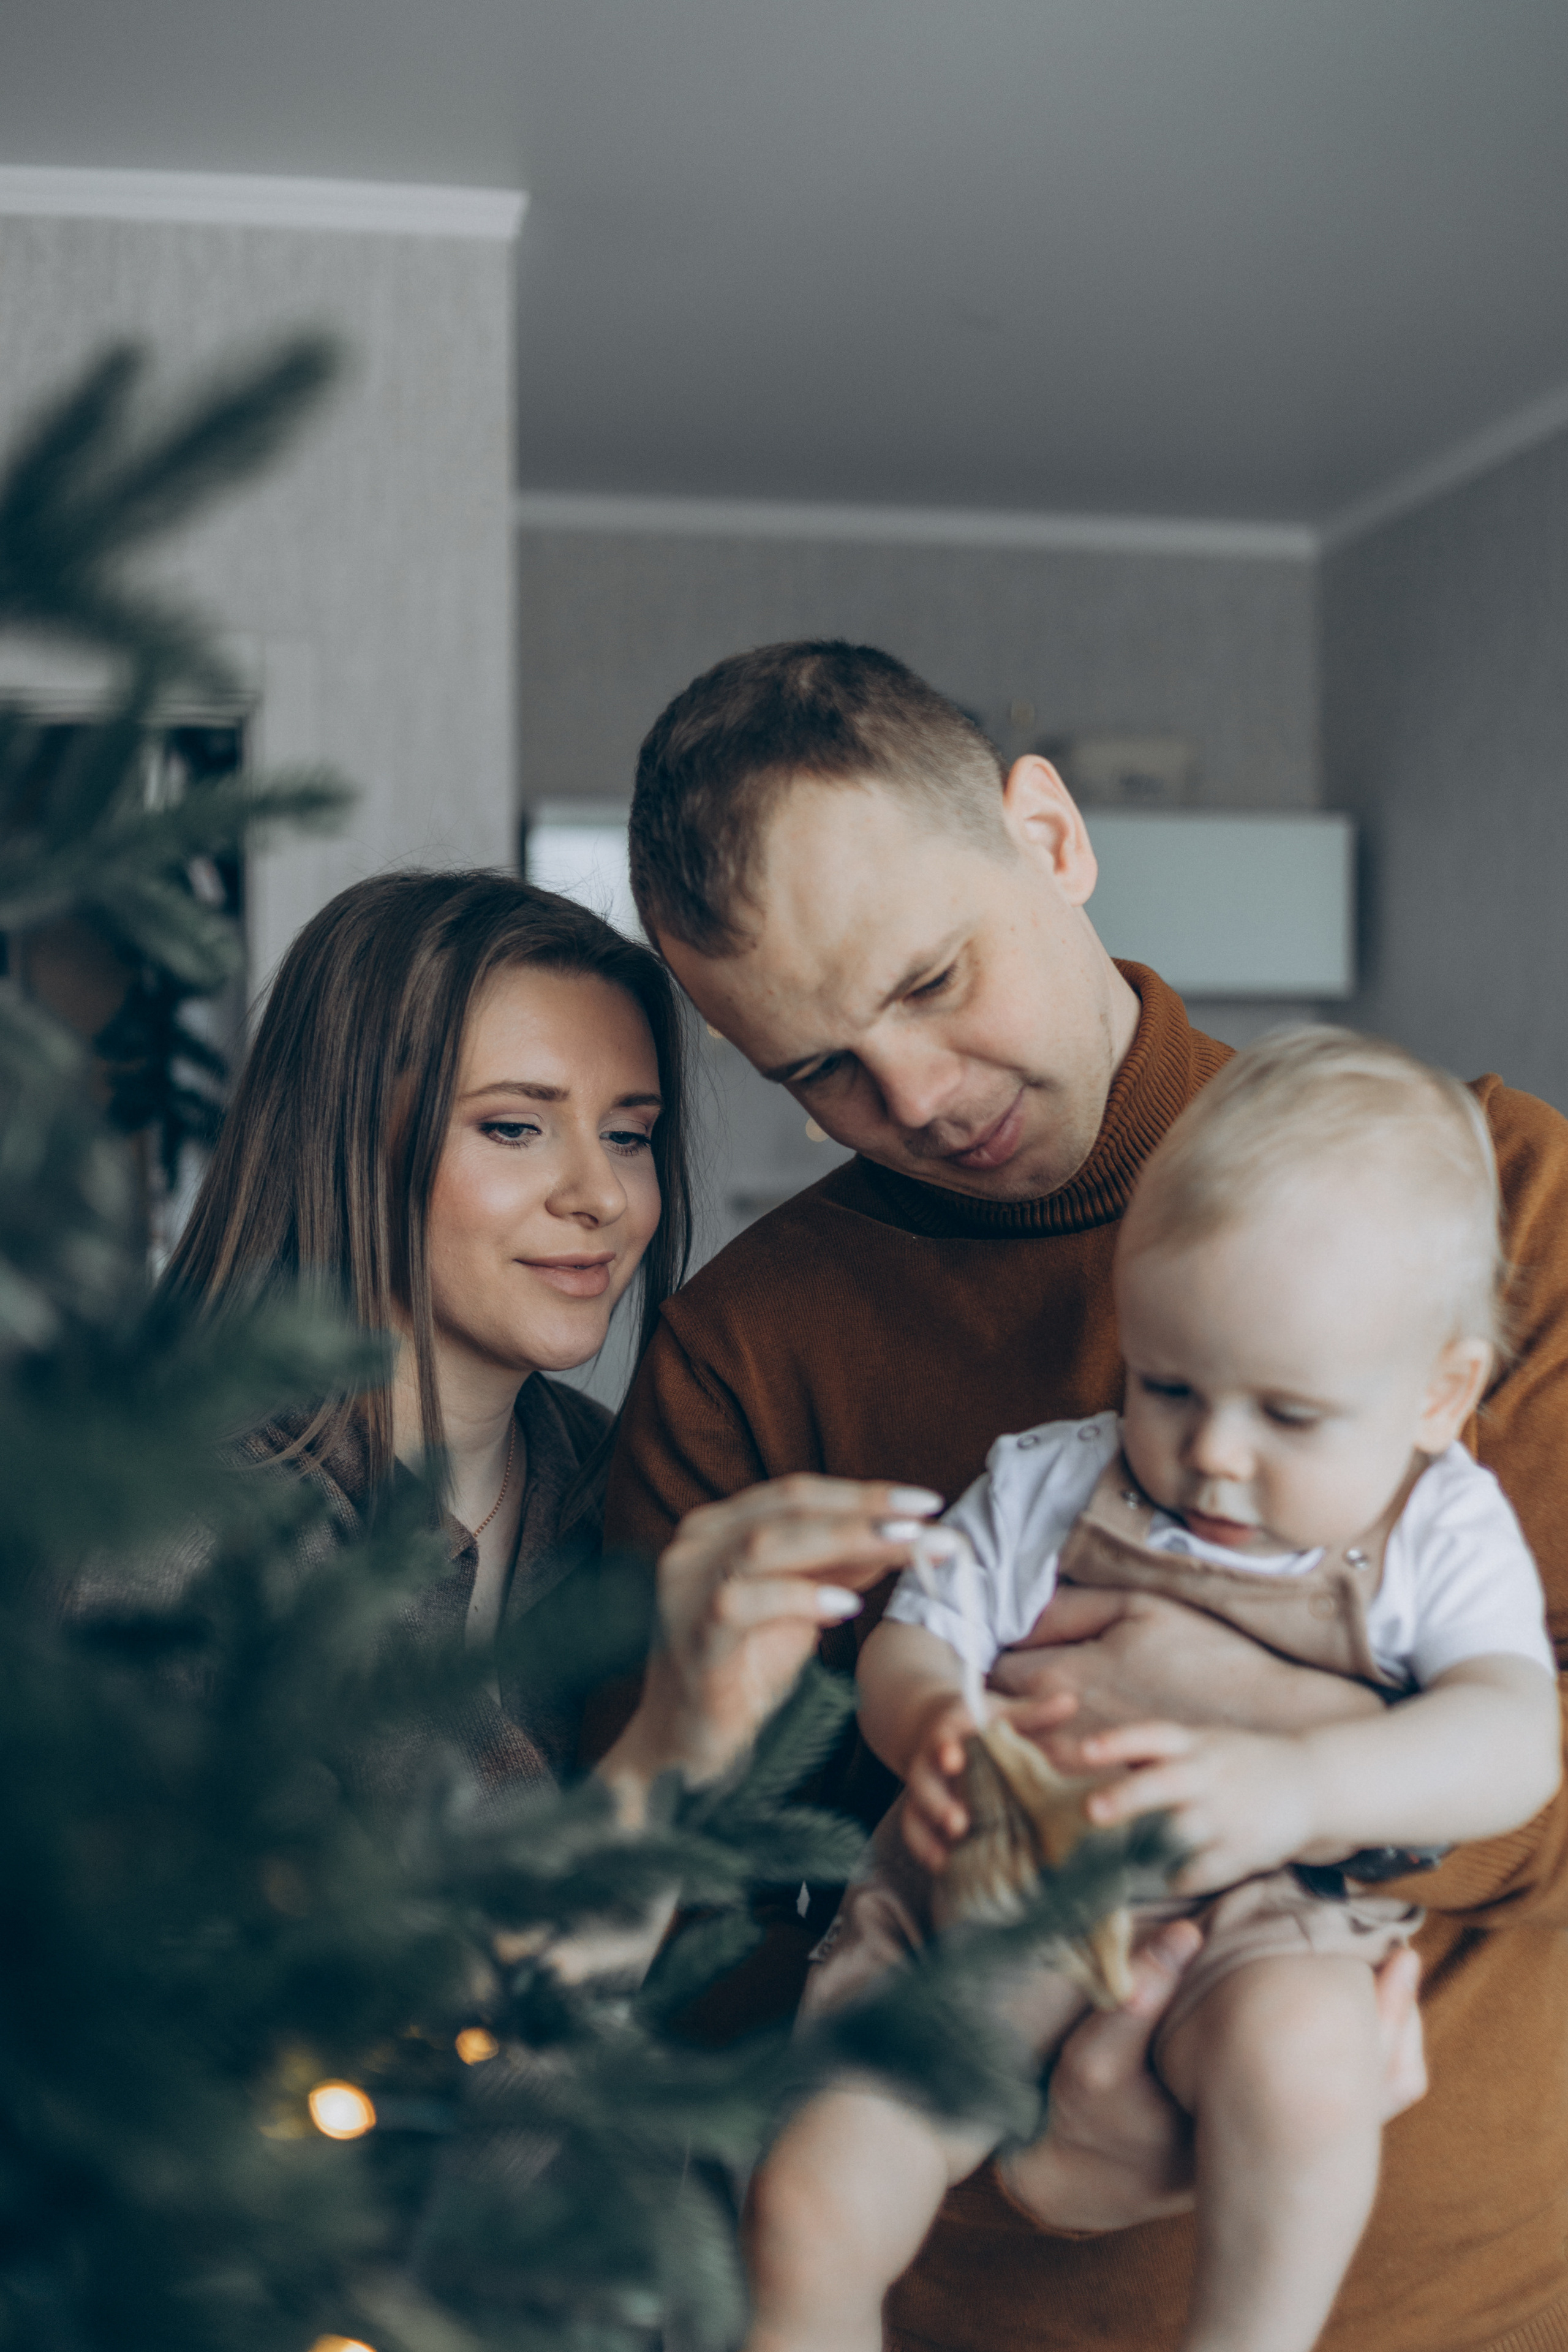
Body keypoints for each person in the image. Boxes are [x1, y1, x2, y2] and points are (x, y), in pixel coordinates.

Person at [607, 641, 1568, 2351]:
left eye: (930, 982)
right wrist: (1032, 2163)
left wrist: (1270, 1735)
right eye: (813, 1071)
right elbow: (690, 1948)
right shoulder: (740, 1355)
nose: (910, 1100)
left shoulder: (1506, 1203)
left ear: (1047, 836)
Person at [744, 1027, 1559, 2352]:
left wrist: (1302, 1781)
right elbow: (915, 1642)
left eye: (1288, 1417)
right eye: (1165, 1386)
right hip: (985, 1902)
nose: (1213, 1458)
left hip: (1249, 1918)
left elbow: (1513, 1740)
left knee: (1303, 2072)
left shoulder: (1435, 1530)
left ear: (1437, 1394)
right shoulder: (1048, 1480)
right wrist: (935, 1727)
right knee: (810, 2191)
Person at [154, 869, 926, 1825]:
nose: (599, 1195)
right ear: (342, 1140)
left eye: (630, 1136)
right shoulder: (173, 1528)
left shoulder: (644, 1492)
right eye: (515, 1127)